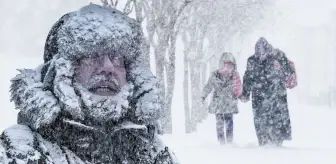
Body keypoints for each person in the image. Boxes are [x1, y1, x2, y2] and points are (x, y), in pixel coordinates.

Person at [0, 4, 179, 163]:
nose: (108, 67)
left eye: (117, 57)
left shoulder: (154, 153)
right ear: (61, 72)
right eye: (91, 56)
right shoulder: (18, 151)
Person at [240, 37, 297, 146]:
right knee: (260, 123)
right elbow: (248, 78)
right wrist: (245, 94)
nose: (260, 57)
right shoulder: (252, 60)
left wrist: (281, 69)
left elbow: (288, 73)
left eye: (262, 54)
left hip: (276, 97)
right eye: (258, 54)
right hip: (258, 98)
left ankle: (277, 143)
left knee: (276, 122)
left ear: (267, 50)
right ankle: (264, 143)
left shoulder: (278, 57)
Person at [201, 52, 242, 144]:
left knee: (221, 123)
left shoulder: (216, 74)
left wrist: (203, 95)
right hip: (228, 102)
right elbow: (238, 88)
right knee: (228, 122)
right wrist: (241, 96)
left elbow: (209, 86)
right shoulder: (234, 75)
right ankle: (228, 141)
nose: (227, 67)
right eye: (226, 64)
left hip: (219, 102)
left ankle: (222, 142)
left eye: (229, 65)